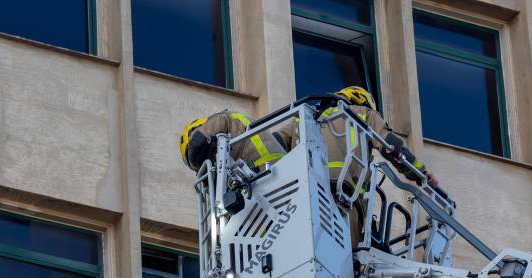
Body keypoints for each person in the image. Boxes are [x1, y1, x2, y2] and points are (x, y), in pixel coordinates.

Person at [179, 86, 439, 245]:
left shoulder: (303, 119)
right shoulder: (362, 115)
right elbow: (392, 147)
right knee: (342, 266)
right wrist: (422, 175)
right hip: (344, 201)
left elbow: (274, 145)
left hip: (307, 197)